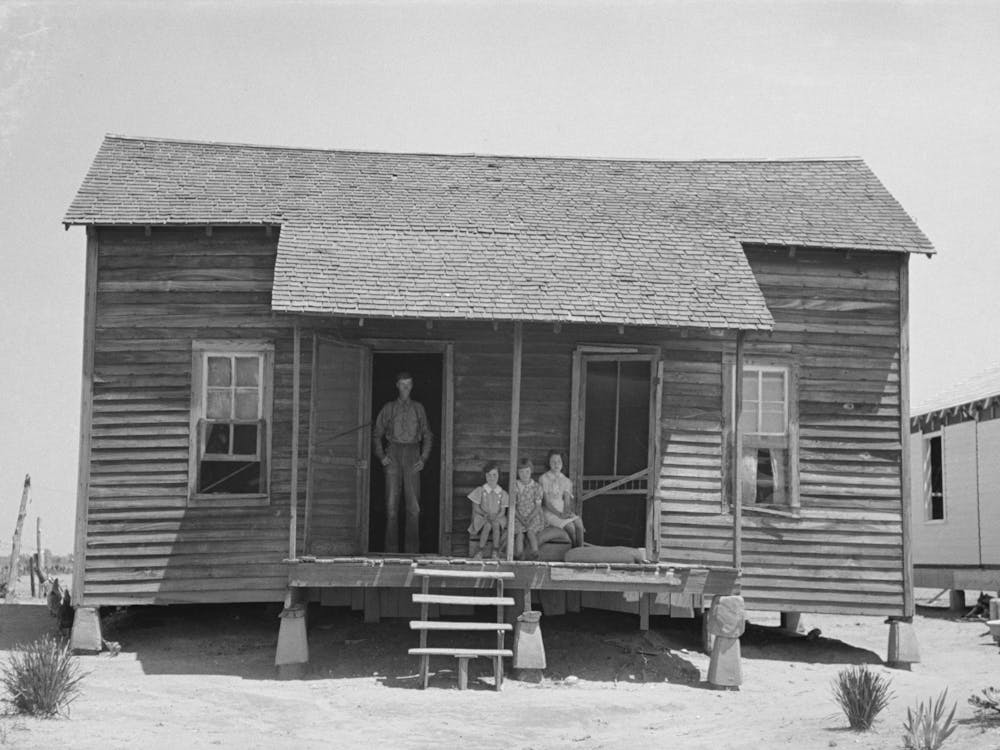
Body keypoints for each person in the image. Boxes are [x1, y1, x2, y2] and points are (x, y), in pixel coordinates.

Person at [372, 372, 433, 553]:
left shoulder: (418, 408)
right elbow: (377, 433)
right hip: (393, 452)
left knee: (413, 507)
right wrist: (381, 455)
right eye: (402, 384)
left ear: (412, 386)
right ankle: (391, 552)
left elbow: (427, 434)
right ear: (397, 386)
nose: (405, 388)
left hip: (413, 452)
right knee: (391, 507)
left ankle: (411, 551)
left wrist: (424, 457)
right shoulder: (389, 408)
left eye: (408, 385)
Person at [539, 449, 585, 547]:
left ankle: (579, 551)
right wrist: (559, 515)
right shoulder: (544, 478)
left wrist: (567, 512)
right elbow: (546, 503)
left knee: (579, 524)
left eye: (559, 461)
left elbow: (567, 502)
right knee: (571, 528)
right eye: (553, 462)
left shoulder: (566, 480)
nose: (556, 464)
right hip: (550, 512)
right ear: (549, 463)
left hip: (562, 510)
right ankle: (573, 550)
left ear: (563, 463)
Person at [467, 462, 508, 559]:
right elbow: (476, 508)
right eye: (489, 475)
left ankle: (495, 550)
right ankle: (480, 550)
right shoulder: (480, 490)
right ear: (485, 476)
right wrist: (485, 514)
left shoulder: (502, 493)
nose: (491, 477)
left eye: (494, 475)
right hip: (482, 517)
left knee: (495, 525)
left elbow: (503, 511)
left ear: (499, 476)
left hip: (497, 518)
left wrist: (495, 517)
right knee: (487, 525)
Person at [512, 457, 544, 560]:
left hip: (533, 515)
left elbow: (538, 507)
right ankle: (519, 553)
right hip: (518, 516)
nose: (524, 474)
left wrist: (529, 518)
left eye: (527, 471)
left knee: (530, 532)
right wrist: (521, 519)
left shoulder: (536, 487)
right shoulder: (515, 486)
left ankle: (535, 552)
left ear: (531, 471)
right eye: (521, 472)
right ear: (517, 473)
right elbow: (513, 507)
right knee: (520, 534)